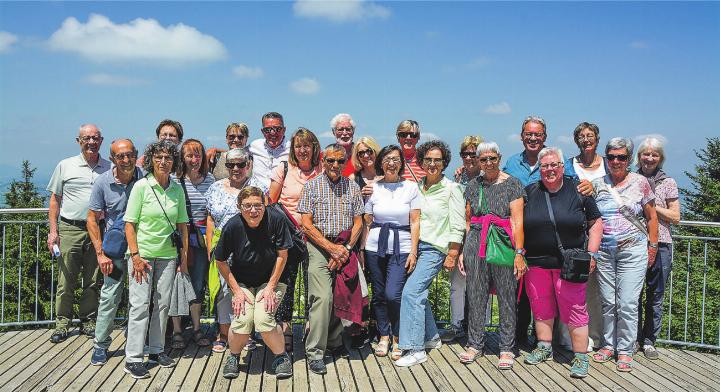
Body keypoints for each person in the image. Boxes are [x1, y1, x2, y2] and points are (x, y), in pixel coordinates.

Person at [503, 116, 594, 347]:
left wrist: (591, 186)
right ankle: (523, 340)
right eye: (529, 134)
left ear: (545, 137)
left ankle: (561, 345)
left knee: (566, 300)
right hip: (528, 248)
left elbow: (579, 185)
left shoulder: (559, 161)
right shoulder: (512, 163)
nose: (533, 138)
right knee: (527, 298)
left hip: (561, 251)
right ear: (522, 136)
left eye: (538, 134)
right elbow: (497, 182)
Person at [521, 147, 603, 378]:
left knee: (575, 308)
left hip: (571, 263)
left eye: (554, 165)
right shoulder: (530, 192)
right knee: (541, 306)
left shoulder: (578, 191)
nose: (549, 170)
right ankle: (544, 346)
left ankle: (580, 356)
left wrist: (592, 254)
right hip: (536, 262)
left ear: (562, 166)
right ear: (539, 169)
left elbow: (595, 223)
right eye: (544, 166)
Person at [591, 137, 658, 372]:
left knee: (628, 302)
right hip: (605, 251)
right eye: (611, 157)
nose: (616, 161)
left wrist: (653, 247)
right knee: (608, 301)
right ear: (606, 159)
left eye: (621, 157)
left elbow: (652, 217)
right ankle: (609, 345)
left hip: (633, 250)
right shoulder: (598, 184)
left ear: (629, 159)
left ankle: (626, 349)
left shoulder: (640, 182)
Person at [457, 141, 526, 370]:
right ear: (478, 161)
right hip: (476, 241)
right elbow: (468, 220)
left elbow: (517, 222)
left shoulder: (512, 184)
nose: (488, 163)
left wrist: (519, 253)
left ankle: (506, 347)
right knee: (476, 294)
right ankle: (475, 343)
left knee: (506, 295)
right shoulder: (473, 185)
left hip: (504, 241)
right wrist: (463, 250)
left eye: (492, 158)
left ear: (499, 158)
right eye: (483, 159)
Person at [395, 140, 464, 367]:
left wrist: (452, 253)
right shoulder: (416, 186)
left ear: (444, 163)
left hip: (434, 249)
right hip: (414, 247)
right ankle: (431, 338)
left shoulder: (451, 188)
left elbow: (458, 224)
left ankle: (415, 349)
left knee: (411, 293)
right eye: (428, 159)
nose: (432, 164)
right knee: (419, 294)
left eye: (437, 160)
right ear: (421, 161)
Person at [124, 140, 189, 379]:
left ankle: (156, 350)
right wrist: (136, 256)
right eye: (159, 157)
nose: (163, 162)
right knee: (139, 306)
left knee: (162, 306)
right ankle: (133, 357)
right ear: (151, 160)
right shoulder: (141, 186)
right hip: (143, 256)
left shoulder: (177, 189)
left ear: (174, 162)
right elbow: (129, 225)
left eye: (168, 158)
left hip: (168, 256)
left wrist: (183, 258)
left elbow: (182, 226)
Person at [297, 144, 364, 375]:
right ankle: (315, 351)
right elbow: (306, 224)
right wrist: (331, 249)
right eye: (331, 161)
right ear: (323, 161)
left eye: (340, 161)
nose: (335, 165)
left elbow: (358, 222)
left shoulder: (353, 187)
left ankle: (333, 342)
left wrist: (344, 248)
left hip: (344, 245)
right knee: (323, 297)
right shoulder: (312, 187)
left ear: (345, 163)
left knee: (341, 294)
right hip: (318, 246)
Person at [215, 187, 294, 379]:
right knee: (242, 318)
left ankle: (281, 357)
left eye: (258, 205)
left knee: (263, 318)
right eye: (247, 206)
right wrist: (236, 290)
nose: (253, 211)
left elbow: (282, 256)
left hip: (273, 279)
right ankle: (233, 356)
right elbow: (220, 260)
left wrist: (270, 287)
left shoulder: (276, 220)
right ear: (239, 207)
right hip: (242, 281)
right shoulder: (233, 226)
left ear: (265, 205)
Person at [46, 124, 111, 343]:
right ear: (78, 141)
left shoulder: (109, 167)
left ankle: (88, 321)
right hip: (70, 227)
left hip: (98, 229)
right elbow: (55, 200)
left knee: (93, 280)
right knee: (66, 280)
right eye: (87, 138)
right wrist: (53, 231)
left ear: (101, 141)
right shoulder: (65, 165)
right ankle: (62, 323)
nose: (91, 142)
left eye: (95, 138)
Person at [361, 145, 421, 359]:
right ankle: (383, 335)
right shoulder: (373, 187)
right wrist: (361, 248)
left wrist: (414, 251)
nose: (391, 163)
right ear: (381, 163)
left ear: (401, 163)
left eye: (396, 159)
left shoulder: (411, 188)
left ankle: (397, 335)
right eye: (387, 159)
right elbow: (367, 220)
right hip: (375, 246)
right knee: (378, 294)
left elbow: (415, 221)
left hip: (402, 247)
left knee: (393, 294)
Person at [206, 147, 268, 353]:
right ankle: (224, 334)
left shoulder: (258, 187)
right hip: (221, 245)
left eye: (241, 164)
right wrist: (209, 246)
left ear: (248, 165)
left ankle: (244, 334)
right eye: (231, 164)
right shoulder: (215, 187)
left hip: (247, 246)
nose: (236, 168)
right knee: (223, 292)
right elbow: (210, 219)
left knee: (244, 290)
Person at [87, 139, 143, 365]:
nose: (126, 160)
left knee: (140, 299)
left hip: (141, 250)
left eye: (130, 155)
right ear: (112, 159)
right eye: (120, 156)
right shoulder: (103, 183)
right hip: (116, 252)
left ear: (135, 154)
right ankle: (100, 344)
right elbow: (91, 219)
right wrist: (100, 254)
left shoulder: (145, 177)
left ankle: (137, 341)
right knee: (110, 297)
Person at [268, 127, 323, 352]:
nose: (302, 150)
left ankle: (312, 326)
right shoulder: (283, 168)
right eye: (298, 146)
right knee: (287, 284)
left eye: (306, 145)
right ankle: (286, 328)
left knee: (313, 284)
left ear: (314, 148)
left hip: (315, 236)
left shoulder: (322, 169)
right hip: (288, 236)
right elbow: (271, 202)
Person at [560, 122, 608, 352]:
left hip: (606, 231)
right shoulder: (569, 165)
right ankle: (568, 337)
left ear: (597, 139)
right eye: (581, 136)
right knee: (573, 285)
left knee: (597, 290)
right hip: (576, 232)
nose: (586, 140)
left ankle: (597, 338)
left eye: (590, 136)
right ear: (576, 140)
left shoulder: (609, 163)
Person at [636, 137, 679, 360]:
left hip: (661, 243)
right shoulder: (632, 179)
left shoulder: (668, 182)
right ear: (639, 156)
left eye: (654, 155)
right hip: (634, 242)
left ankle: (650, 340)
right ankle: (634, 338)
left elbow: (676, 216)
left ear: (660, 158)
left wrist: (652, 207)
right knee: (633, 295)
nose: (649, 158)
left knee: (655, 295)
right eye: (646, 153)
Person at [169, 139, 216, 349]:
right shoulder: (174, 180)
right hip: (179, 239)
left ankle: (197, 329)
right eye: (189, 155)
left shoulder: (210, 180)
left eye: (198, 155)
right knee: (176, 285)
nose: (194, 160)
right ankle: (178, 331)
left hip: (201, 240)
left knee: (197, 285)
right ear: (182, 158)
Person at [441, 135, 483, 343]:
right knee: (458, 284)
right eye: (465, 154)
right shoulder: (458, 179)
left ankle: (478, 327)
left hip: (482, 237)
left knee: (479, 285)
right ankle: (456, 324)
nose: (469, 157)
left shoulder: (488, 178)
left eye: (473, 154)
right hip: (461, 236)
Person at [249, 112, 290, 190]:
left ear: (284, 130)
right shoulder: (255, 145)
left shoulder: (293, 149)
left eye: (277, 129)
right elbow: (239, 153)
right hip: (257, 198)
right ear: (262, 131)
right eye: (267, 129)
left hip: (281, 198)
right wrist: (218, 150)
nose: (272, 133)